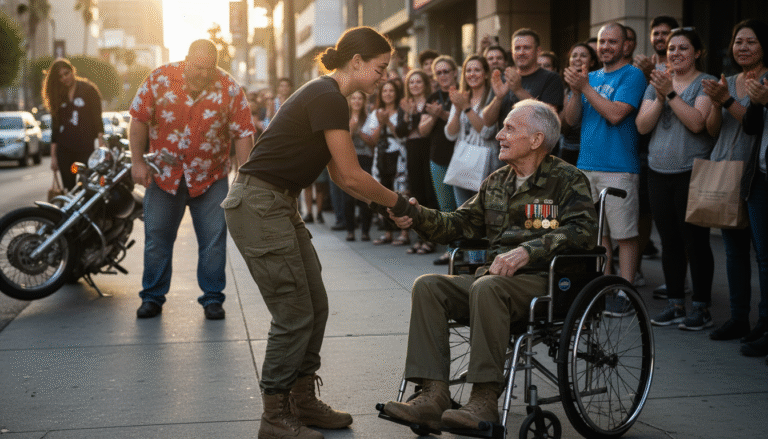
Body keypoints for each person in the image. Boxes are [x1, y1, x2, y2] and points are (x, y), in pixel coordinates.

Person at [223, 26, 420, 439]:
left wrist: (381, 207)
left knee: (315, 302)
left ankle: (302, 400)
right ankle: (274, 415)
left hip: (276, 203)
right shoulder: (329, 97)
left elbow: (341, 176)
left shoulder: (329, 97)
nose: (385, 77)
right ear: (357, 63)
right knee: (293, 314)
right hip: (259, 205)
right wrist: (398, 204)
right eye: (381, 68)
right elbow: (350, 173)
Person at [381, 99, 598, 430]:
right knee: (428, 286)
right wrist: (414, 215)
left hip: (545, 281)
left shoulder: (567, 179)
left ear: (537, 139)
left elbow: (581, 231)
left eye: (510, 128)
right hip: (494, 279)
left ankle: (483, 401)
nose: (499, 135)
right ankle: (432, 396)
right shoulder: (497, 181)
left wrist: (528, 250)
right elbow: (457, 224)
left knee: (487, 287)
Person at [128, 40, 254, 321]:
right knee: (157, 239)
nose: (202, 74)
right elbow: (138, 119)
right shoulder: (159, 79)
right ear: (186, 59)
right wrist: (137, 161)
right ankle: (152, 298)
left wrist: (244, 179)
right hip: (164, 176)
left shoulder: (229, 88)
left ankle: (212, 299)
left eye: (208, 69)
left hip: (210, 177)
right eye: (197, 67)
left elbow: (243, 133)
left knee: (213, 241)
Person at [635, 28, 716, 330]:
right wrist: (659, 96)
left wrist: (669, 93)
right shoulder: (657, 83)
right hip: (658, 171)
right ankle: (675, 304)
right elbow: (642, 127)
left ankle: (702, 307)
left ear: (697, 53)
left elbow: (698, 123)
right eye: (671, 48)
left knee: (695, 241)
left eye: (683, 48)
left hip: (692, 172)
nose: (676, 53)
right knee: (669, 241)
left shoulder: (704, 84)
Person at [563, 23, 647, 288]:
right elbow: (571, 120)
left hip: (619, 167)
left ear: (625, 46)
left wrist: (584, 87)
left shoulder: (632, 75)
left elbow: (615, 114)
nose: (606, 47)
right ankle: (606, 286)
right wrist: (577, 91)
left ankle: (626, 290)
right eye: (602, 42)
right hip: (586, 165)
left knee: (625, 235)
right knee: (599, 235)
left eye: (613, 42)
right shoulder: (591, 77)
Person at [703, 19, 768, 348]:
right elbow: (713, 130)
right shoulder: (728, 80)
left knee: (762, 254)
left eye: (751, 42)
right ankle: (739, 317)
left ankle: (762, 322)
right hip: (725, 172)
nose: (743, 47)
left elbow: (754, 125)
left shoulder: (764, 80)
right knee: (734, 252)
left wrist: (728, 101)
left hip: (755, 174)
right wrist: (717, 103)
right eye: (738, 41)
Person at [482, 28, 564, 140]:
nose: (521, 52)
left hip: (536, 152)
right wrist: (498, 98)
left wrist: (518, 90)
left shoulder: (551, 78)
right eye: (517, 48)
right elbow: (487, 121)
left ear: (538, 51)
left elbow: (549, 120)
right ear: (512, 52)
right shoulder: (503, 77)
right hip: (504, 150)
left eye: (526, 48)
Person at [419, 55, 460, 265]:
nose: (443, 75)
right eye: (439, 72)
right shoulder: (433, 97)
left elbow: (462, 124)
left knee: (464, 207)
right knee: (446, 208)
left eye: (447, 71)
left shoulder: (462, 94)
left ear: (454, 72)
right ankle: (451, 250)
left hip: (462, 158)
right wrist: (435, 115)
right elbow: (422, 130)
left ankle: (468, 250)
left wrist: (442, 113)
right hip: (438, 158)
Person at [741, 43, 768, 361]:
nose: (743, 47)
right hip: (760, 177)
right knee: (764, 257)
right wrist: (758, 103)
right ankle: (763, 321)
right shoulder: (758, 81)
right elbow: (751, 126)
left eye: (750, 41)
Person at [41, 58, 105, 190]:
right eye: (60, 76)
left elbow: (97, 120)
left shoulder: (89, 90)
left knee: (87, 186)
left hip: (85, 148)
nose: (65, 78)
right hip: (64, 150)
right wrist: (53, 157)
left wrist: (101, 145)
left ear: (72, 71)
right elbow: (55, 127)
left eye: (67, 73)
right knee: (69, 188)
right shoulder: (57, 95)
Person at [361, 79, 410, 246]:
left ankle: (404, 233)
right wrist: (381, 124)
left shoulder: (402, 111)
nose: (388, 94)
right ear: (381, 95)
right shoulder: (375, 113)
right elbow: (372, 140)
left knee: (401, 192)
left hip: (399, 154)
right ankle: (387, 232)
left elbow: (403, 136)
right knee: (383, 192)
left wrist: (389, 122)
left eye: (391, 91)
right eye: (385, 91)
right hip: (381, 155)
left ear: (396, 93)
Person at [446, 55, 496, 206]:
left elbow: (487, 132)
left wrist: (467, 107)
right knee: (463, 213)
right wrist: (457, 108)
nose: (472, 74)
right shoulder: (461, 96)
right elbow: (450, 134)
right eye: (468, 70)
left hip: (486, 164)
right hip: (462, 161)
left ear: (486, 74)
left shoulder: (492, 97)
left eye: (477, 70)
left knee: (482, 214)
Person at [559, 43, 599, 165]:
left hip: (591, 151)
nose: (577, 58)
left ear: (592, 62)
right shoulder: (566, 88)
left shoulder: (597, 86)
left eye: (583, 55)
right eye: (574, 55)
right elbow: (564, 126)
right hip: (568, 149)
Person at [344, 90, 374, 242]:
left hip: (365, 158)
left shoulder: (369, 118)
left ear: (363, 101)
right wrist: (351, 128)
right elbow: (343, 141)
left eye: (359, 98)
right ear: (349, 101)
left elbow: (372, 141)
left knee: (365, 195)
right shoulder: (344, 117)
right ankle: (350, 230)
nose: (356, 101)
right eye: (353, 98)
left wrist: (359, 131)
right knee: (349, 197)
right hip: (349, 158)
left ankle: (365, 231)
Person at [634, 16, 680, 80]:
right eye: (656, 34)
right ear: (650, 37)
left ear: (675, 36)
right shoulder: (645, 64)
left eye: (664, 33)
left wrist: (651, 72)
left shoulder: (679, 65)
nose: (659, 38)